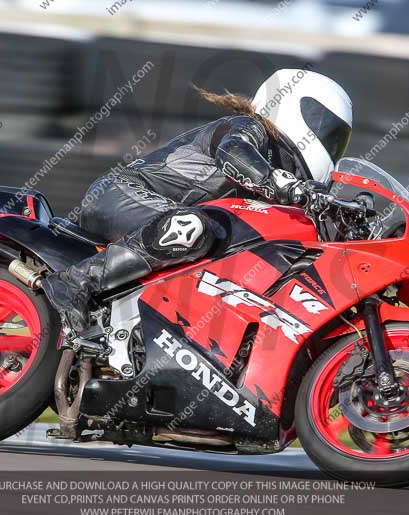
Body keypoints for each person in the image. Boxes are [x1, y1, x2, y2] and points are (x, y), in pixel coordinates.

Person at [46, 69, 353, 333]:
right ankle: (73, 284)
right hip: (119, 193)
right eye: (326, 129)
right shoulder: (251, 129)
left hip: (155, 221)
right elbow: (233, 153)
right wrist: (278, 182)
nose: (330, 144)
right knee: (192, 227)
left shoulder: (288, 188)